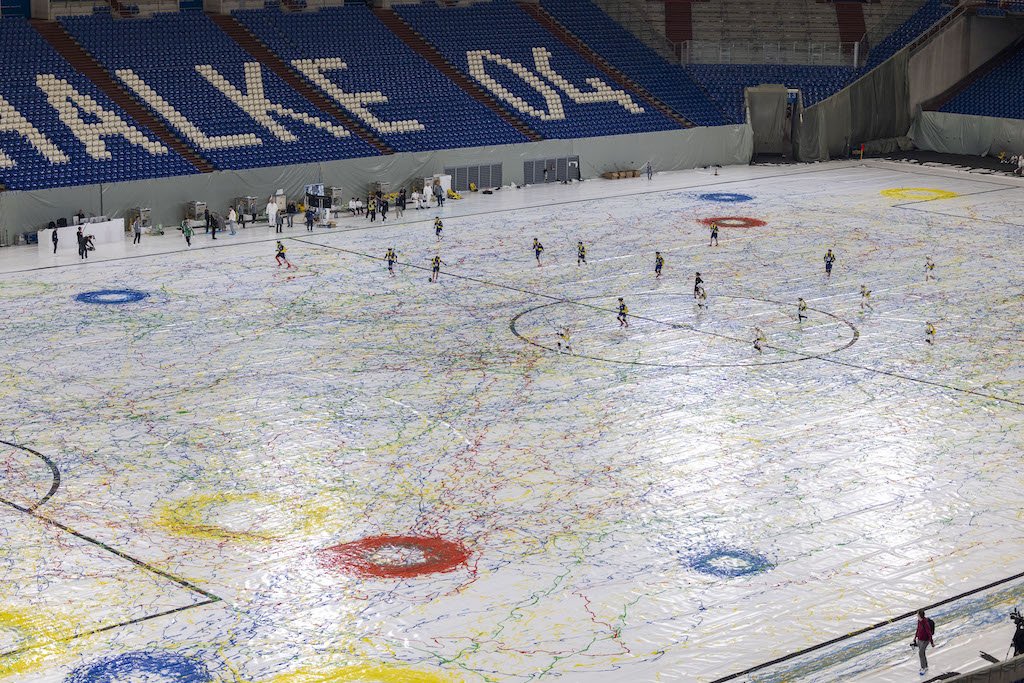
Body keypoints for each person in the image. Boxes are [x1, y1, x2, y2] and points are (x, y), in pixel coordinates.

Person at [911, 610, 935, 676]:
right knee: (922, 653)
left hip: (925, 640)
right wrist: (915, 637)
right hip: (919, 639)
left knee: (921, 653)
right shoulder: (919, 621)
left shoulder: (926, 623)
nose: (917, 615)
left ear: (920, 615)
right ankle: (926, 666)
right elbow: (918, 629)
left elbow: (929, 633)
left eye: (917, 614)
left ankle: (923, 667)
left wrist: (931, 642)